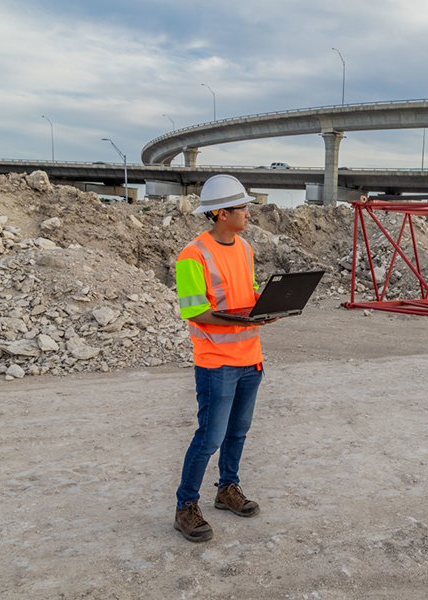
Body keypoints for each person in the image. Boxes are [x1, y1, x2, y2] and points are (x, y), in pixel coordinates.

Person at [172, 174, 276, 543]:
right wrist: (240, 318)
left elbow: (245, 292)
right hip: (216, 361)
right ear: (220, 213)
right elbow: (195, 312)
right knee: (209, 437)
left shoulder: (245, 248)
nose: (249, 213)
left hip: (251, 357)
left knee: (238, 431)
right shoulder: (192, 255)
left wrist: (266, 308)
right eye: (242, 207)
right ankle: (186, 507)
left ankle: (226, 490)